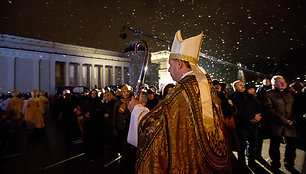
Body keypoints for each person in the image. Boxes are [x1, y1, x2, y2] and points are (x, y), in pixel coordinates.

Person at [127, 30, 230, 173]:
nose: (169, 70)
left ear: (180, 63)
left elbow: (157, 130)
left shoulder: (182, 91)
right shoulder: (205, 86)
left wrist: (137, 109)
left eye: (170, 64)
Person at [263, 75, 300, 173]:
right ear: (274, 84)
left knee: (291, 146)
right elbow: (269, 109)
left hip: (291, 124)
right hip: (276, 124)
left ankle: (289, 163)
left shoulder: (291, 94)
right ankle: (275, 162)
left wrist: (293, 120)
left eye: (284, 81)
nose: (283, 83)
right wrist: (284, 120)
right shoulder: (269, 94)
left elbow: (297, 108)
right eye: (280, 82)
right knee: (275, 145)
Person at [229, 80, 262, 171]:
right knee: (241, 145)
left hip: (253, 124)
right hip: (242, 125)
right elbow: (237, 111)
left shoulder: (250, 96)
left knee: (253, 144)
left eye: (243, 84)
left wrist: (258, 115)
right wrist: (252, 116)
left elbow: (259, 106)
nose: (243, 86)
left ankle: (251, 161)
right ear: (235, 87)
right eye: (240, 85)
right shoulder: (233, 97)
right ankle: (242, 163)